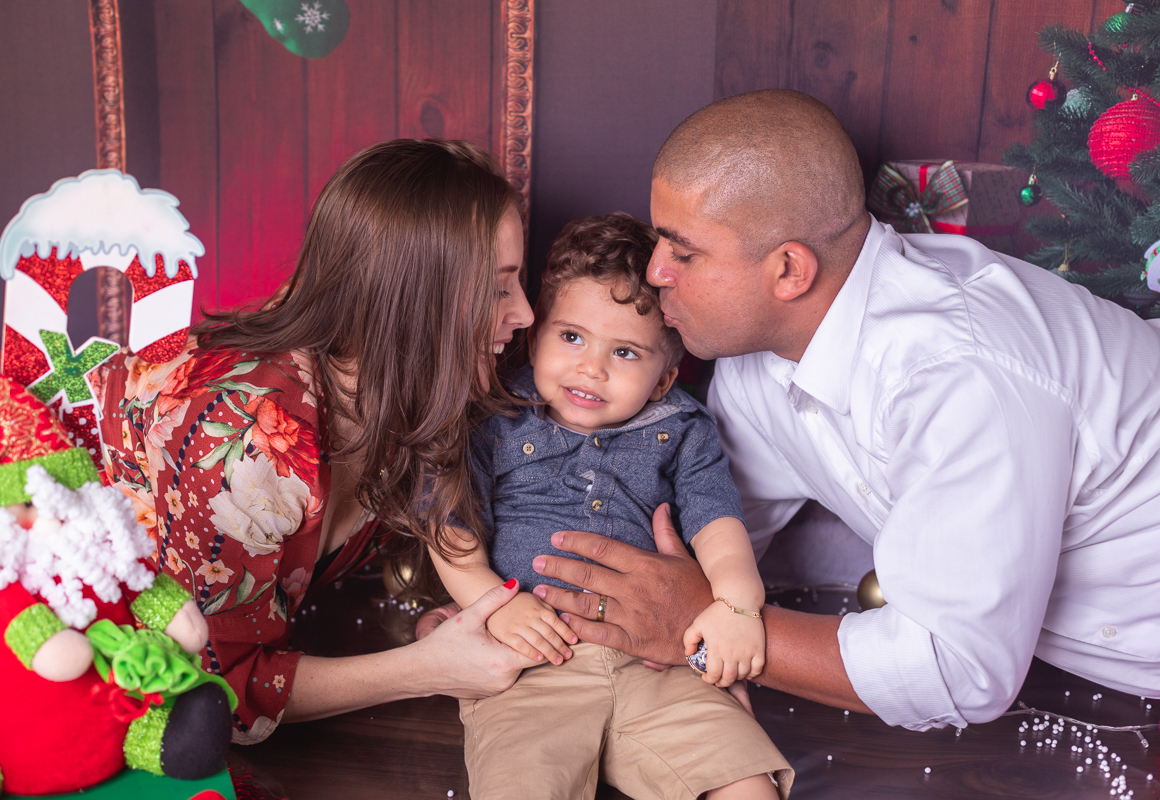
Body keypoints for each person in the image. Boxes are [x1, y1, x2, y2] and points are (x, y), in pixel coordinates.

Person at [523, 90, 1160, 731]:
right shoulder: (754, 355)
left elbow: (958, 672)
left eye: (683, 253)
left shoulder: (957, 374)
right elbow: (709, 534)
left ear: (789, 270)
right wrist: (512, 607)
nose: (656, 271)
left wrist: (703, 628)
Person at [98, 139, 539, 742]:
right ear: (410, 303)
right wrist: (425, 670)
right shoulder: (248, 442)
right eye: (498, 289)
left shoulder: (389, 382)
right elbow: (206, 695)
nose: (527, 315)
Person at [430, 213, 791, 799]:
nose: (590, 368)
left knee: (742, 777)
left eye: (625, 352)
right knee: (520, 782)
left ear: (662, 380)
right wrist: (489, 606)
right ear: (535, 335)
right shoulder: (493, 418)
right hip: (530, 660)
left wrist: (737, 604)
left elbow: (715, 519)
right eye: (571, 337)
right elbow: (449, 527)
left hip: (661, 661)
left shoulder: (682, 429)